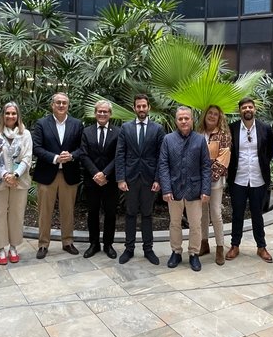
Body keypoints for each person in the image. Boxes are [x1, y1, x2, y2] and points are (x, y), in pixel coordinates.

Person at [31, 92, 84, 258]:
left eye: (64, 103)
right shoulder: (42, 123)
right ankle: (43, 244)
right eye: (58, 103)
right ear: (52, 105)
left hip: (69, 173)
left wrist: (72, 156)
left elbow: (82, 148)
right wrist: (54, 158)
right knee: (44, 211)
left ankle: (67, 242)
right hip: (47, 174)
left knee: (68, 210)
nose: (61, 105)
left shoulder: (77, 124)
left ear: (68, 106)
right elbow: (36, 147)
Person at [159, 107, 212, 271]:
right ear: (176, 121)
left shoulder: (200, 140)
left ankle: (194, 253)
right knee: (175, 223)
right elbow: (163, 165)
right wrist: (166, 189)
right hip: (174, 190)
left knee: (196, 224)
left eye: (186, 118)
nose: (183, 121)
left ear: (191, 120)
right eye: (180, 119)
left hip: (195, 190)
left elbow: (205, 167)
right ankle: (176, 251)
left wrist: (206, 190)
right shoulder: (168, 139)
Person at [116, 94, 165, 265]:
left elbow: (161, 157)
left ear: (149, 107)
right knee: (129, 214)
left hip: (149, 179)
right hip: (129, 179)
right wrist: (120, 178)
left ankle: (148, 249)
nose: (141, 109)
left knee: (147, 214)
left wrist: (158, 179)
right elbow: (120, 154)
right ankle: (129, 249)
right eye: (138, 106)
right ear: (134, 108)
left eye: (144, 106)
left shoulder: (157, 129)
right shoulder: (125, 128)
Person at [226, 97, 273, 263]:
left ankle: (261, 247)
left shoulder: (265, 129)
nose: (247, 110)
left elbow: (269, 152)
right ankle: (235, 245)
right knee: (237, 214)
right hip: (238, 179)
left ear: (254, 109)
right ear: (240, 111)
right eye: (244, 107)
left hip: (258, 179)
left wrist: (260, 165)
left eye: (250, 107)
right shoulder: (231, 128)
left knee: (257, 214)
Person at [0, 102, 34, 265]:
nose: (11, 116)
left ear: (18, 116)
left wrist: (16, 174)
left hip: (19, 180)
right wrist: (5, 174)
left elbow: (28, 156)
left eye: (14, 114)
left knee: (16, 214)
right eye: (8, 113)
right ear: (3, 115)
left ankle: (13, 247)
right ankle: (0, 249)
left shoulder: (25, 134)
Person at [80, 100, 120, 259]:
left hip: (110, 181)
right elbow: (83, 154)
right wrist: (96, 174)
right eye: (99, 111)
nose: (102, 114)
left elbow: (119, 155)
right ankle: (94, 244)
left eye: (105, 111)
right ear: (95, 113)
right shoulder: (86, 132)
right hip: (92, 181)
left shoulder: (118, 132)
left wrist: (105, 174)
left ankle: (108, 244)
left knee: (110, 213)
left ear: (110, 114)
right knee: (92, 212)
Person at [197, 104, 231, 266]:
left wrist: (207, 177)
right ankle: (204, 244)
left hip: (215, 180)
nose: (211, 116)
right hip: (198, 180)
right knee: (202, 214)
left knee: (216, 213)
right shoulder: (198, 134)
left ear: (219, 117)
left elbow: (223, 159)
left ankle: (219, 247)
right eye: (209, 113)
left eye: (215, 114)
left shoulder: (223, 135)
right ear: (205, 115)